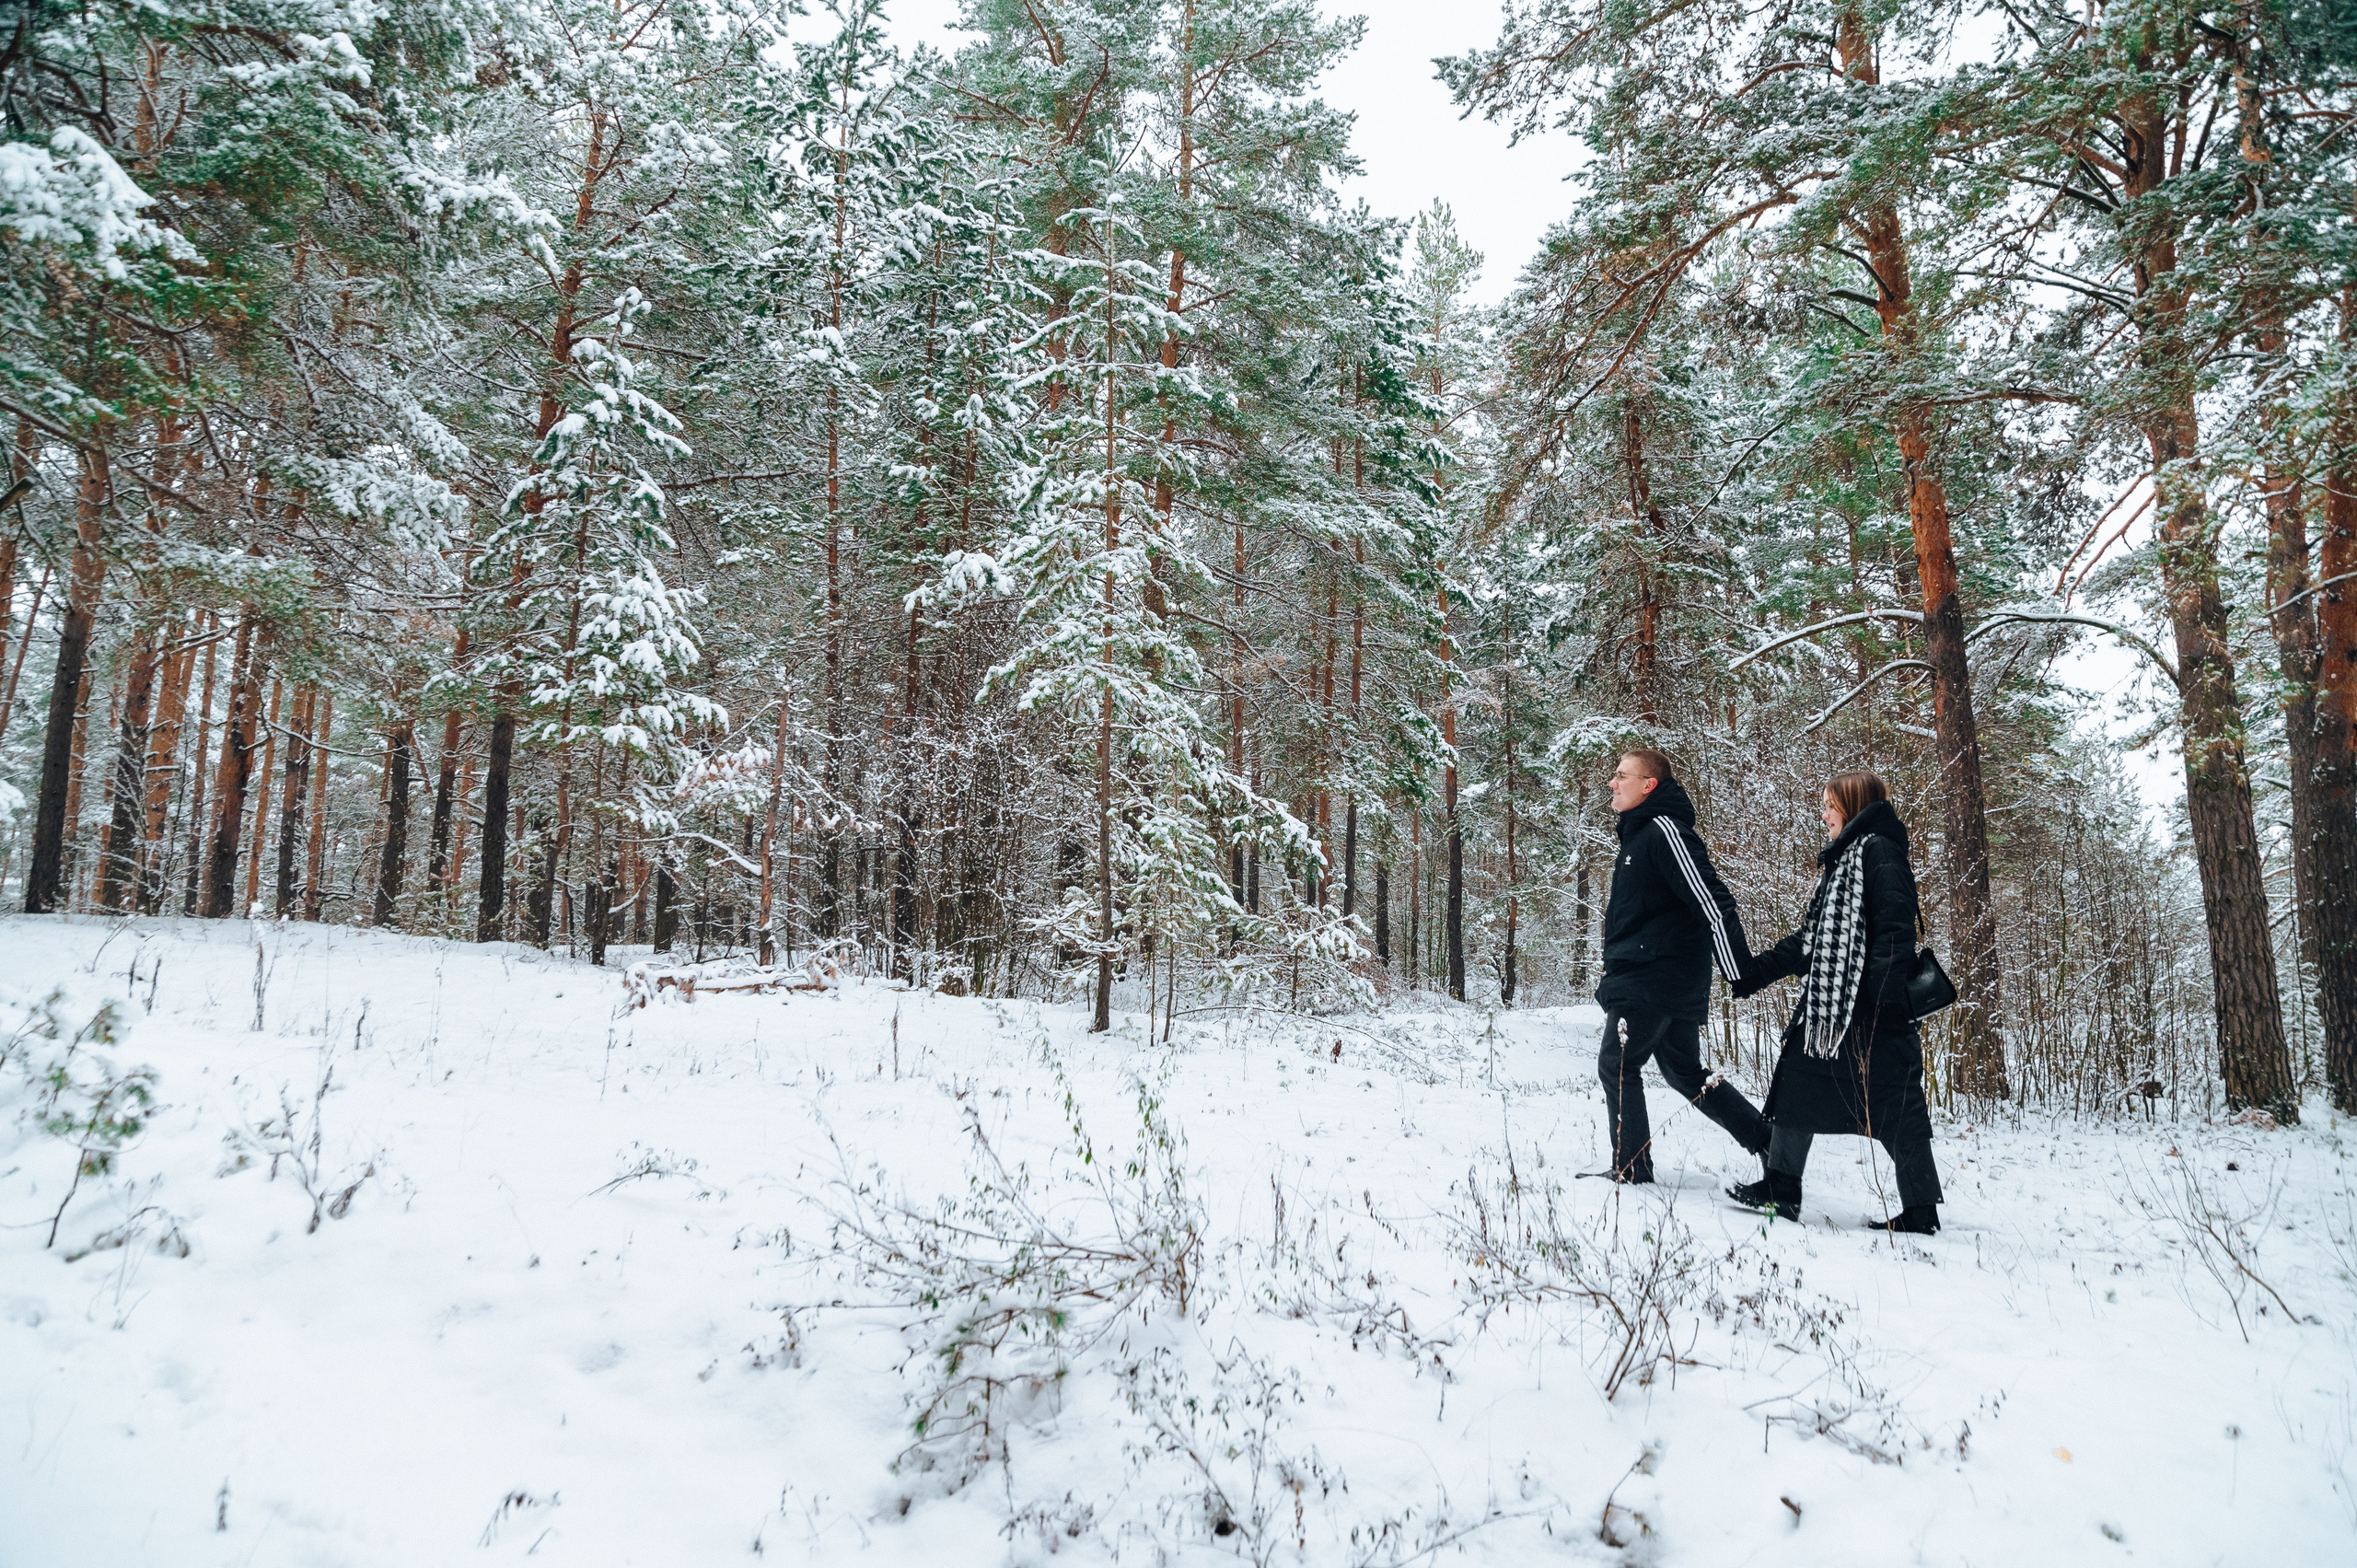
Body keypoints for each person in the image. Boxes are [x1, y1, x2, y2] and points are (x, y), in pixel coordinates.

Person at [1727, 770, 1944, 1235]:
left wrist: (1881, 1005)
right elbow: (1814, 941)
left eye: (1830, 805)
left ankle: (1921, 1211)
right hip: (1837, 1010)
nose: (1823, 813)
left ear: (1854, 805)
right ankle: (1780, 1189)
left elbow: (1893, 936)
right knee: (1797, 1083)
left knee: (1898, 1107)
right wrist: (1754, 973)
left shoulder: (1879, 853)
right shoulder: (1848, 857)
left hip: (1871, 1012)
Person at [1592, 749, 1771, 1184]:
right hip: (1651, 973)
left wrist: (1738, 970)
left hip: (1658, 975)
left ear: (1648, 785)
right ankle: (1771, 1142)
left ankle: (1631, 1168)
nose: (1612, 783)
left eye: (1621, 776)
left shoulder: (1665, 831)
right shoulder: (1639, 836)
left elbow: (1712, 902)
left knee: (1616, 1063)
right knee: (1685, 1072)